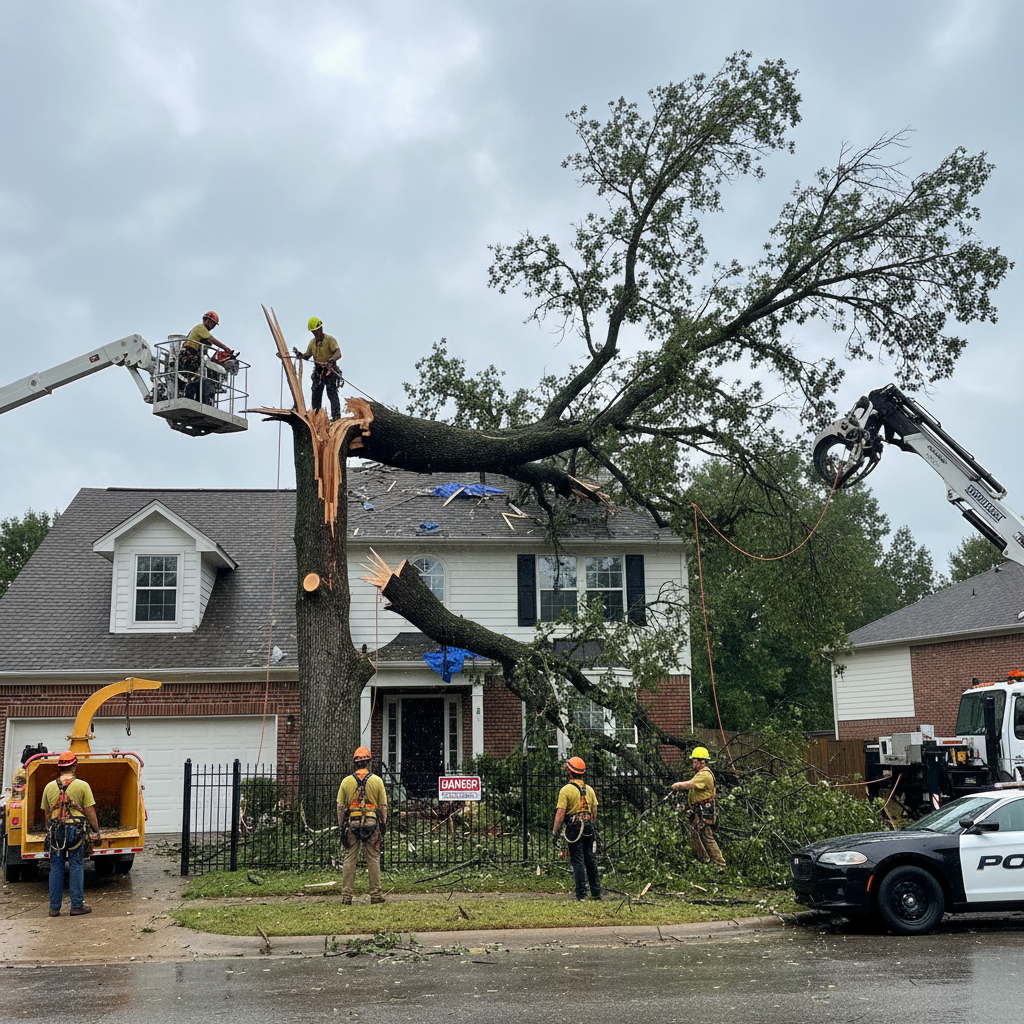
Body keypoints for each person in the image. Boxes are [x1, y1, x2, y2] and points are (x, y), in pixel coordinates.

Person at [41, 751, 100, 917]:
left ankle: (54, 908)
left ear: (59, 767)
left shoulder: (49, 787)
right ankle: (76, 906)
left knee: (56, 867)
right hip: (76, 831)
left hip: (56, 831)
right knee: (76, 864)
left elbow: (47, 813)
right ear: (75, 765)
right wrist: (96, 830)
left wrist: (49, 830)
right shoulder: (82, 786)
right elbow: (90, 811)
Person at [336, 746, 388, 905]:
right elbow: (383, 806)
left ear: (355, 763)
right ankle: (376, 894)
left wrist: (341, 827)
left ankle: (346, 896)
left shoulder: (346, 781)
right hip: (372, 823)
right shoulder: (377, 781)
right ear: (368, 763)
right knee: (373, 858)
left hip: (353, 824)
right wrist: (383, 823)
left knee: (350, 858)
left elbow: (340, 807)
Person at [552, 756, 601, 901]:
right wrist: (590, 824)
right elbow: (594, 812)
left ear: (570, 773)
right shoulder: (590, 790)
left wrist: (555, 831)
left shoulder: (566, 790)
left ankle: (581, 895)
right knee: (590, 859)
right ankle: (596, 892)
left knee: (577, 860)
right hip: (588, 826)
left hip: (574, 828)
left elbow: (560, 813)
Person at [671, 746, 725, 870]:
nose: (693, 764)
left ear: (702, 762)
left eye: (695, 762)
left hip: (705, 810)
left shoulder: (705, 775)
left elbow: (689, 784)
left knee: (706, 836)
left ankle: (720, 864)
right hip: (699, 810)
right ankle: (704, 861)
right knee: (695, 834)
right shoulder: (701, 774)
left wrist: (677, 786)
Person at [292, 317, 342, 420]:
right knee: (316, 394)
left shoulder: (330, 340)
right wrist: (299, 354)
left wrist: (331, 360)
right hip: (319, 371)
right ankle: (316, 417)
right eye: (314, 332)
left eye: (318, 331)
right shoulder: (312, 343)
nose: (316, 333)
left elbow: (338, 353)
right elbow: (307, 356)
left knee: (332, 393)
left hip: (330, 370)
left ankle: (336, 418)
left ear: (321, 329)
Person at [180, 311, 236, 403]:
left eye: (214, 324)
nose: (212, 326)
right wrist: (226, 348)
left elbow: (206, 349)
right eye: (212, 323)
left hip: (195, 356)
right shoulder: (200, 328)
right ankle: (189, 398)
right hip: (189, 355)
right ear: (206, 320)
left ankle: (199, 400)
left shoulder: (203, 334)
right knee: (193, 378)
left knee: (199, 380)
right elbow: (212, 340)